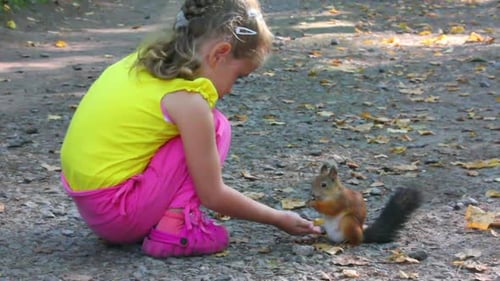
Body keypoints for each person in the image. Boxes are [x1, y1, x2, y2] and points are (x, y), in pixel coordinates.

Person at [60, 0, 321, 258]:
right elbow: (213, 195)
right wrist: (277, 218)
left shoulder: (134, 65)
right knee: (216, 126)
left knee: (192, 128)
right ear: (220, 53)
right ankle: (174, 231)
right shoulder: (189, 101)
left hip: (93, 209)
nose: (231, 89)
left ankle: (160, 218)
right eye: (238, 77)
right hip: (120, 214)